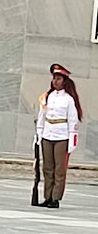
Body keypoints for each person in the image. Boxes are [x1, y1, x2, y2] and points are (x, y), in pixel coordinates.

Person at [35, 64, 83, 209]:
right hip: (47, 134)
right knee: (47, 168)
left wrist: (72, 140)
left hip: (62, 136)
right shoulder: (47, 96)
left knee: (59, 169)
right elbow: (42, 116)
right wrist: (39, 133)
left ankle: (56, 198)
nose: (55, 81)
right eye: (54, 78)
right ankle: (47, 196)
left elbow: (73, 120)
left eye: (58, 78)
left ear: (64, 81)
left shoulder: (69, 99)